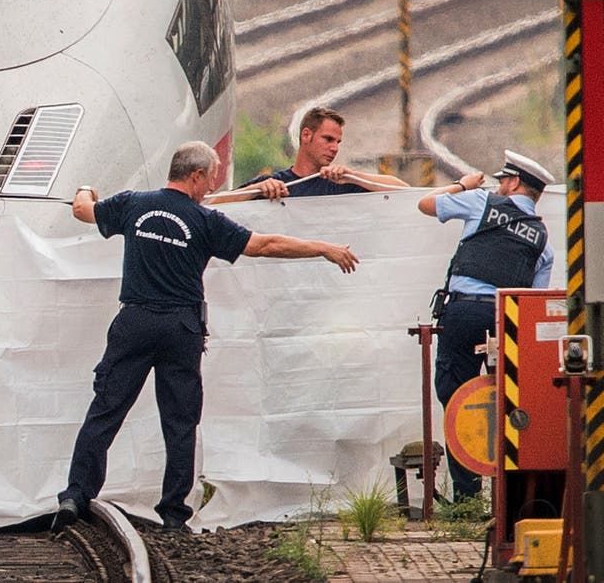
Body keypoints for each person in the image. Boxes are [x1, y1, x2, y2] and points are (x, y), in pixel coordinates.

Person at [51, 141, 360, 532]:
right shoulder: (205, 220)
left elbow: (82, 211)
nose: (211, 188)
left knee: (105, 410)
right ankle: (173, 514)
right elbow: (265, 244)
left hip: (135, 321)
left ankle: (76, 495)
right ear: (195, 175)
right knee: (180, 422)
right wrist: (324, 248)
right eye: (210, 179)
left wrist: (84, 187)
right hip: (181, 329)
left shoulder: (133, 203)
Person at [418, 150, 554, 500]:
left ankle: (466, 495)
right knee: (511, 403)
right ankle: (509, 497)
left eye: (502, 180)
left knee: (455, 397)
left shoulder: (481, 202)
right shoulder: (542, 241)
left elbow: (426, 204)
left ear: (512, 183)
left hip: (464, 314)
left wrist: (463, 184)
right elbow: (533, 302)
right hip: (506, 322)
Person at [228, 107, 408, 202]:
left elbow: (404, 191)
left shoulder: (341, 184)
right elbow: (212, 208)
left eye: (337, 142)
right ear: (306, 135)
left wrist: (354, 176)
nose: (334, 148)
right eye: (328, 139)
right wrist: (254, 190)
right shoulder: (275, 184)